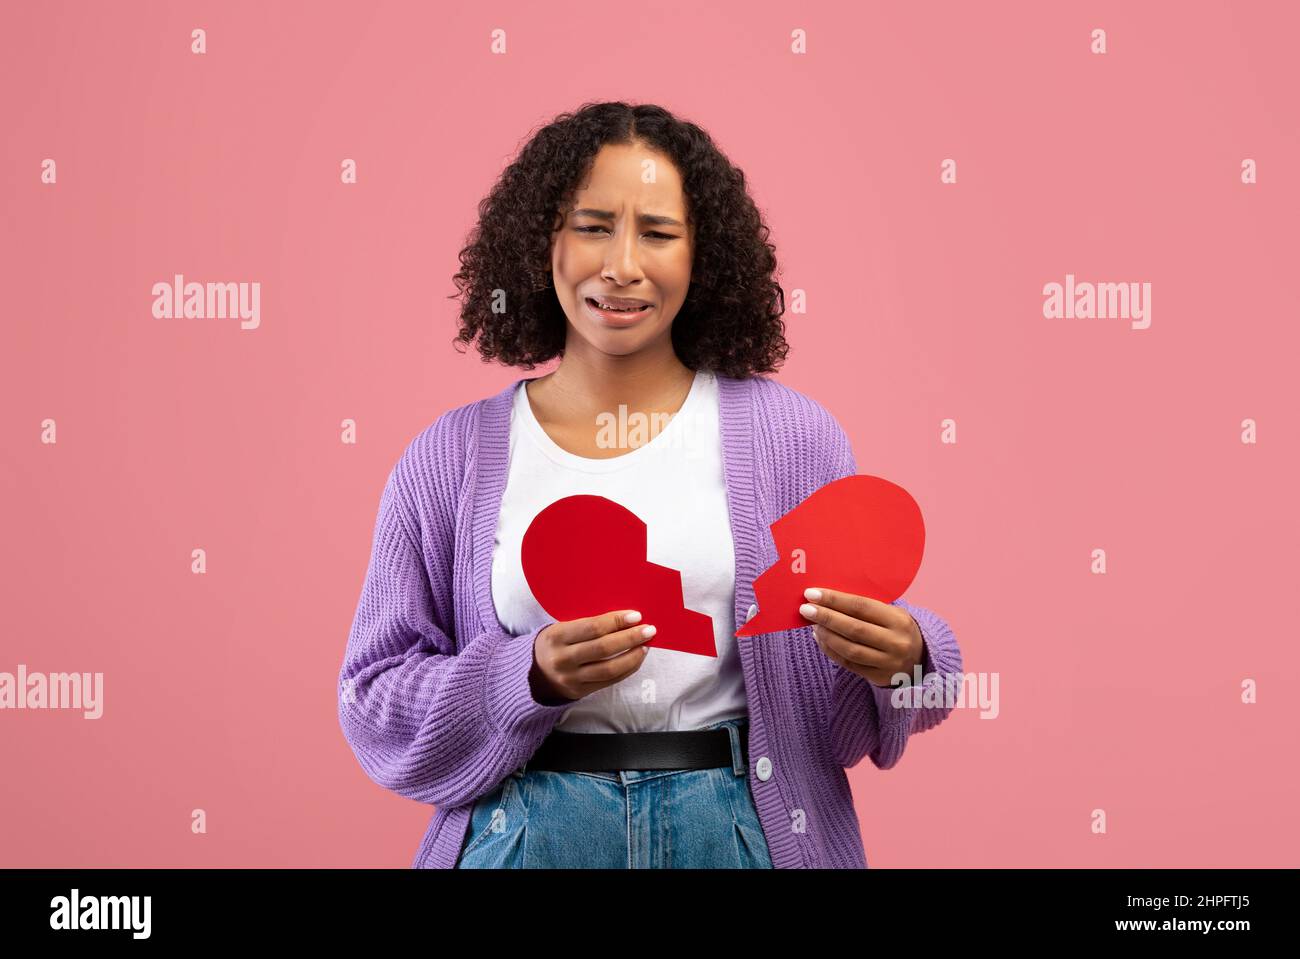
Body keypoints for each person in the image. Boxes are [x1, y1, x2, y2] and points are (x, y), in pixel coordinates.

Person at [337, 101, 963, 869]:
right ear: (544, 242)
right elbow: (373, 701)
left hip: (739, 832)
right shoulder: (448, 459)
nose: (621, 264)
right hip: (528, 835)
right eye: (592, 225)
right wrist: (524, 676)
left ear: (704, 258)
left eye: (658, 233)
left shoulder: (795, 439)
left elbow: (837, 723)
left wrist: (910, 664)